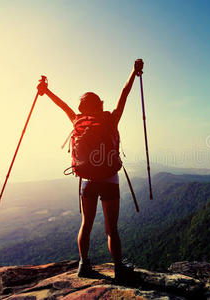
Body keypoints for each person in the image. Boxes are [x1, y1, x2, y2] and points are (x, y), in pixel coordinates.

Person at [37, 59, 144, 281]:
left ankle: (84, 265)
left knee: (86, 224)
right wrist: (133, 72)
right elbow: (124, 94)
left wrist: (46, 91)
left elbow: (62, 104)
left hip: (86, 180)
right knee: (111, 228)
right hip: (109, 179)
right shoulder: (110, 120)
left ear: (83, 108)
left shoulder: (76, 120)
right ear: (99, 105)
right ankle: (118, 268)